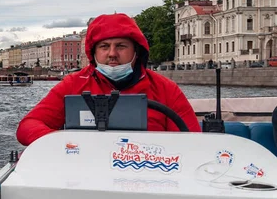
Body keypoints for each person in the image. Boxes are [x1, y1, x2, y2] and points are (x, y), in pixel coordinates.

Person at [16, 13, 201, 146]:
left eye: (121, 46)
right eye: (104, 46)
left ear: (136, 51)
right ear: (93, 52)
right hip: (85, 175)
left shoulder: (165, 89)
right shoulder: (74, 84)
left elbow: (192, 142)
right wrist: (65, 144)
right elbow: (27, 127)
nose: (112, 54)